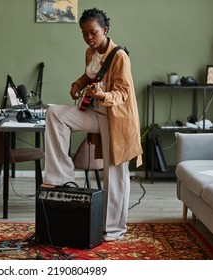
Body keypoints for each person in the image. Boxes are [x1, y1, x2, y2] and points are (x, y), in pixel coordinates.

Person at [41, 7, 143, 242]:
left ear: (105, 29)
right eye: (85, 33)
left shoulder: (119, 56)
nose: (89, 37)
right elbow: (89, 75)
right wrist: (77, 84)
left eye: (93, 32)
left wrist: (101, 96)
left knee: (115, 175)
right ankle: (61, 177)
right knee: (55, 113)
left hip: (117, 120)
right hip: (95, 114)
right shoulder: (91, 52)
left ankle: (113, 229)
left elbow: (122, 93)